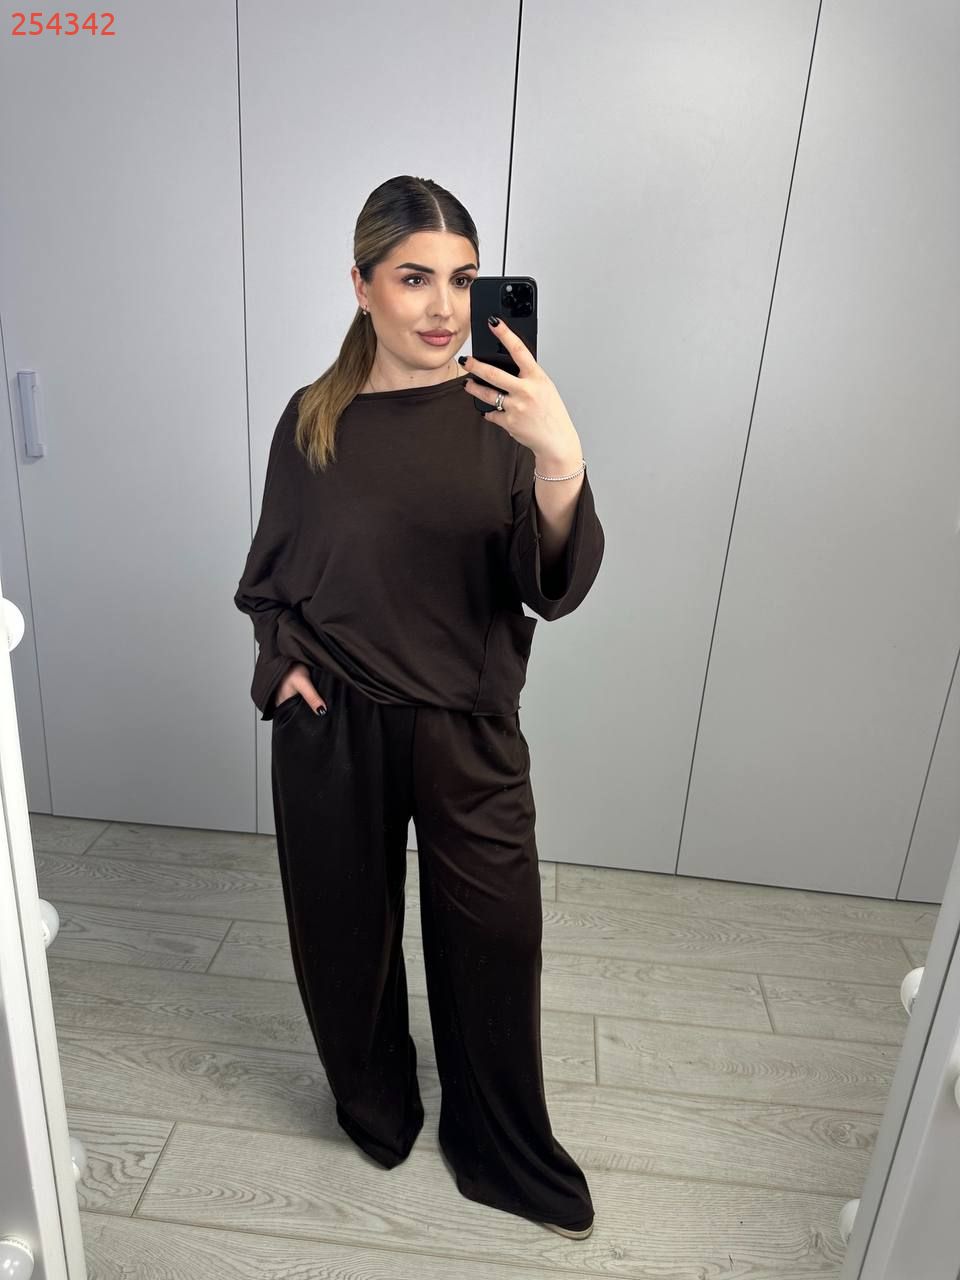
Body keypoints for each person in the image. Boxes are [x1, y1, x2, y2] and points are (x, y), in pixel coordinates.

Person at [234, 175, 604, 1239]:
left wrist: (560, 459)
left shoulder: (507, 415)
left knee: (494, 941)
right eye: (413, 278)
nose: (443, 307)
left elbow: (549, 584)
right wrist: (285, 669)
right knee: (342, 934)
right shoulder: (312, 419)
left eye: (461, 278)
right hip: (335, 723)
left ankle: (499, 1146)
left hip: (465, 725)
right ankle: (375, 1105)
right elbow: (272, 578)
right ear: (361, 286)